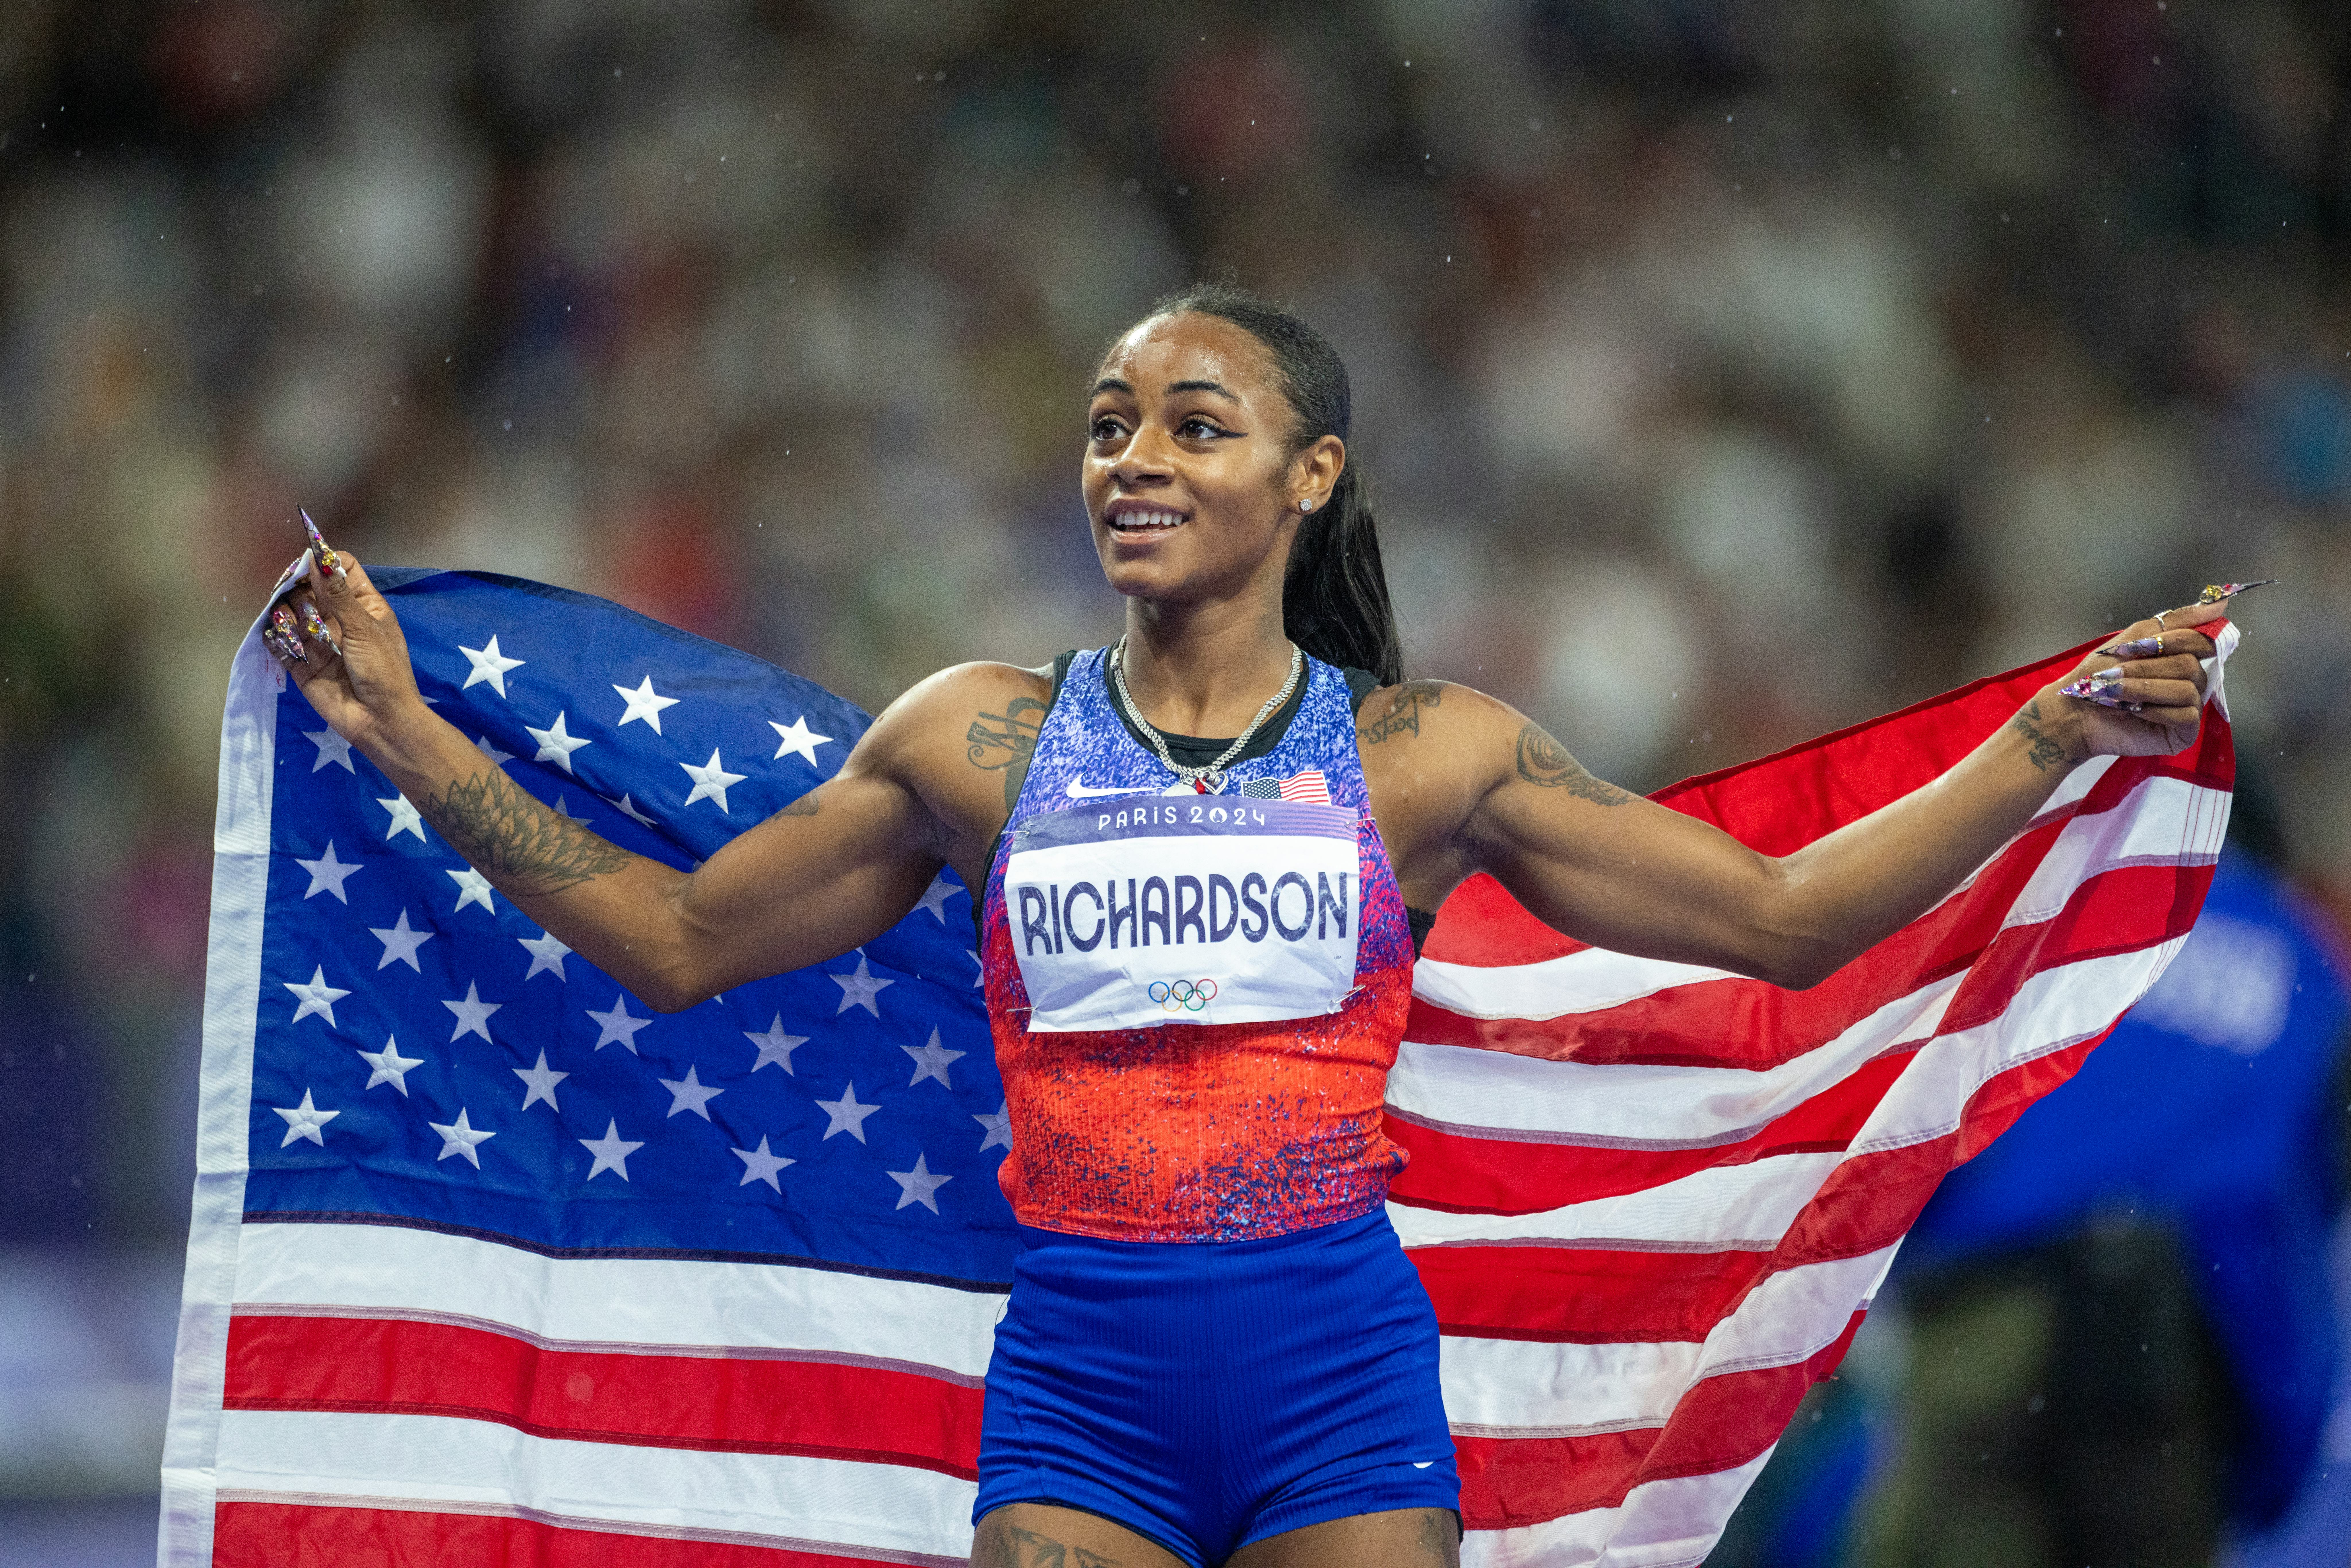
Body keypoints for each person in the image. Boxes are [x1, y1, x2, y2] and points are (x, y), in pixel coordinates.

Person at [265, 281, 2228, 1568]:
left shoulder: (1424, 755)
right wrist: (413, 732)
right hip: (1083, 1389)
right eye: (1109, 424)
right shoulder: (973, 741)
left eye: (1193, 424)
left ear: (1311, 475)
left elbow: (1789, 922)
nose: (1132, 457)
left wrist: (2049, 733)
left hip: (1338, 1382)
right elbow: (682, 937)